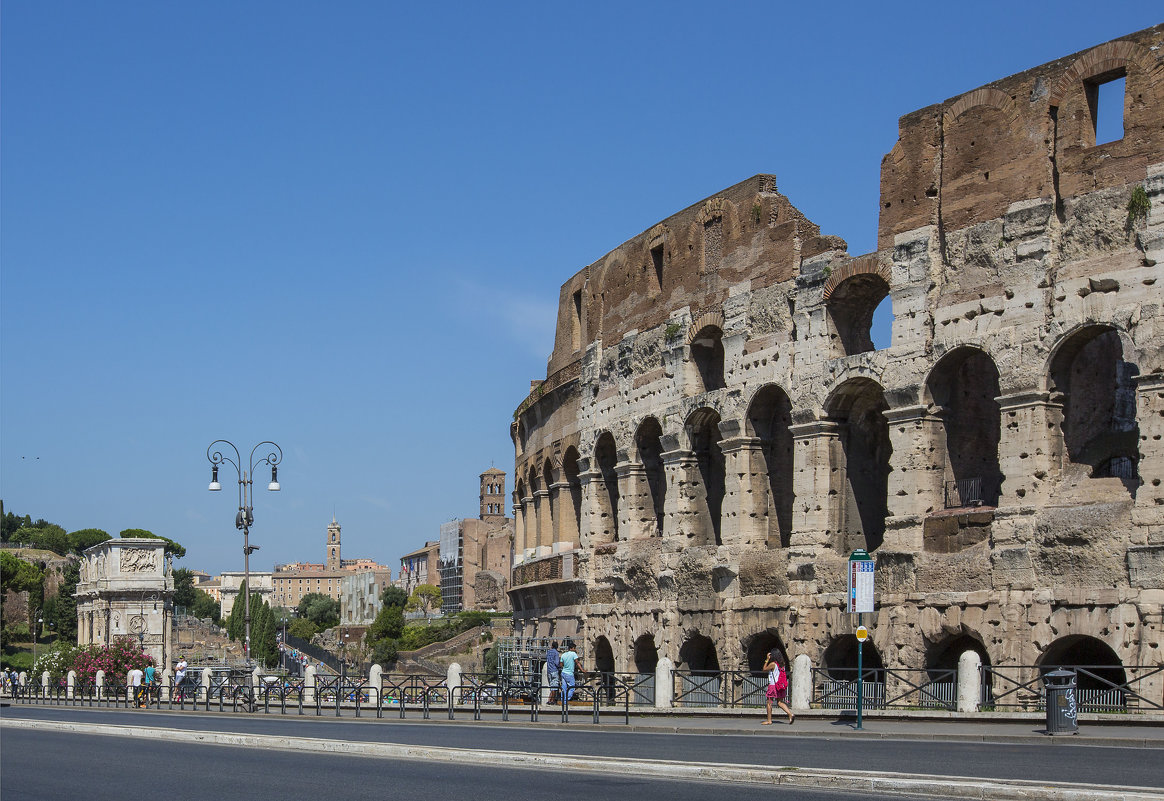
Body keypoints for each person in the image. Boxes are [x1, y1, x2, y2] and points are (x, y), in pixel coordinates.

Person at [762, 649, 794, 725]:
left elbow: (764, 669)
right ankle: (790, 714)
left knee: (769, 702)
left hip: (773, 685)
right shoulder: (782, 664)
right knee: (780, 702)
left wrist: (767, 659)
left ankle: (769, 720)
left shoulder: (773, 664)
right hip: (780, 685)